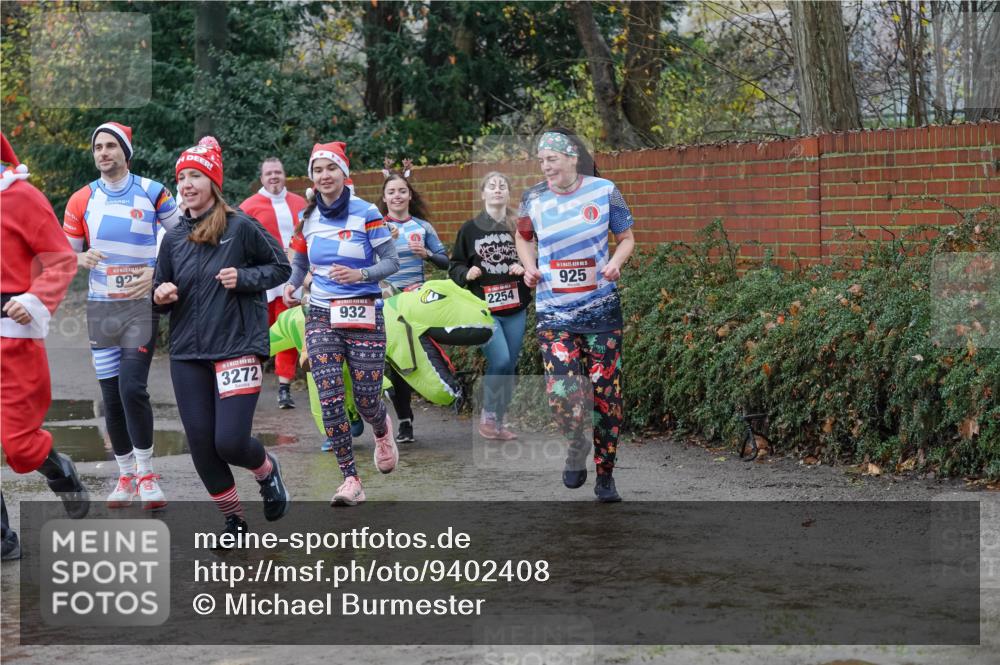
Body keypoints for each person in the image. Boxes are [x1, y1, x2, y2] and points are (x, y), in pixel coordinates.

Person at [153, 136, 291, 538]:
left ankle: (267, 470)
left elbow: (280, 268)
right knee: (201, 445)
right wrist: (160, 295)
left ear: (213, 181)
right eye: (182, 177)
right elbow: (160, 290)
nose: (187, 184)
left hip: (236, 345)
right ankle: (235, 520)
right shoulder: (175, 236)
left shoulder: (241, 226)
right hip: (188, 352)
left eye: (196, 175)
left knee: (229, 442)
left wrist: (244, 278)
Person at [63, 122, 181, 510]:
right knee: (111, 398)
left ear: (125, 151)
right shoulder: (81, 199)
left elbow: (182, 239)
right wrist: (81, 258)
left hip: (139, 306)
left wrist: (156, 273)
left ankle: (147, 474)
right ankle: (126, 475)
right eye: (98, 147)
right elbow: (67, 254)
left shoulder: (153, 192)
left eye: (111, 145)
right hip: (101, 308)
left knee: (133, 387)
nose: (103, 153)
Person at [515, 129, 635, 503]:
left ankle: (605, 474)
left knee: (607, 397)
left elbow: (627, 238)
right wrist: (529, 267)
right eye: (541, 159)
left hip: (601, 311)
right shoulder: (532, 197)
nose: (545, 165)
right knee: (562, 393)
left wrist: (615, 263)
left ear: (572, 159)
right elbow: (522, 237)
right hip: (554, 313)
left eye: (551, 158)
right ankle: (575, 443)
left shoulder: (605, 191)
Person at [282, 141, 400, 506]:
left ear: (344, 174)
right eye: (317, 170)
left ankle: (382, 430)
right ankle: (350, 478)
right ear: (312, 178)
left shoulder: (366, 213)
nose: (324, 175)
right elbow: (300, 263)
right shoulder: (308, 217)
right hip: (320, 313)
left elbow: (391, 261)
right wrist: (290, 284)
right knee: (330, 395)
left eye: (330, 168)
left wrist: (360, 274)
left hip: (364, 310)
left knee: (366, 399)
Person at [1, 132, 90, 560]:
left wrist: (33, 299)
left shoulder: (23, 196)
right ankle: (3, 539)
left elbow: (60, 259)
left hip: (13, 333)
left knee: (19, 445)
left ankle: (59, 469)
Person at [450, 171, 530, 440]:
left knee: (510, 365)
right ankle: (488, 415)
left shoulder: (519, 225)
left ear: (508, 194)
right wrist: (466, 274)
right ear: (483, 193)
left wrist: (526, 266)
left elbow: (536, 257)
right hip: (484, 309)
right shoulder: (469, 229)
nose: (497, 190)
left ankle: (499, 420)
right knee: (501, 359)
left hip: (515, 307)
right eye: (492, 186)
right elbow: (455, 265)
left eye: (503, 186)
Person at [379, 163, 449, 443]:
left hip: (417, 300)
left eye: (402, 191)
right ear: (384, 198)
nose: (396, 196)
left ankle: (446, 391)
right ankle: (405, 420)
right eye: (391, 192)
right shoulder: (378, 227)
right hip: (389, 301)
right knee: (397, 361)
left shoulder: (423, 227)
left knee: (422, 355)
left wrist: (428, 254)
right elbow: (364, 262)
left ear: (410, 196)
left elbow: (446, 262)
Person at [238, 157, 307, 409]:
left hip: (292, 281)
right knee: (258, 334)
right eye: (269, 173)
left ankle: (284, 388)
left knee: (288, 331)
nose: (274, 177)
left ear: (285, 174)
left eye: (278, 172)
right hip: (262, 281)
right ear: (262, 177)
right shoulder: (248, 206)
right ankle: (246, 386)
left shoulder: (301, 203)